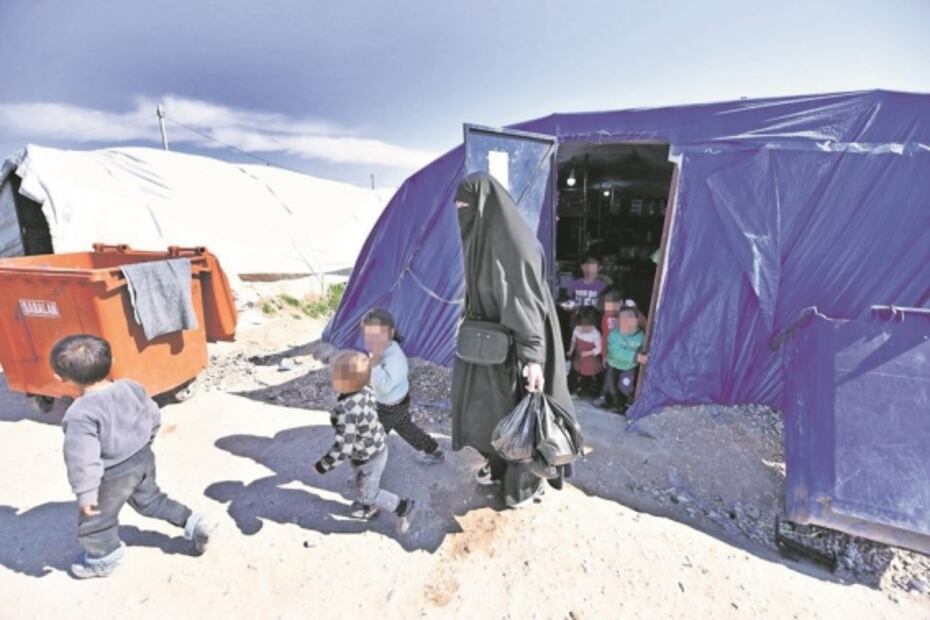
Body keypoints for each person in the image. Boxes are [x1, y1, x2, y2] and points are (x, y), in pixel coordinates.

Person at [452, 171, 580, 509]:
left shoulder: (515, 247)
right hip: (492, 348)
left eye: (466, 206)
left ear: (485, 205)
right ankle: (497, 468)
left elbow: (526, 305)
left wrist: (533, 358)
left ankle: (522, 488)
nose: (462, 212)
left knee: (523, 415)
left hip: (520, 347)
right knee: (494, 412)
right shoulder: (482, 240)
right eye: (458, 207)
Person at [50, 334, 213, 579]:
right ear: (112, 361)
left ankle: (103, 560)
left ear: (61, 378)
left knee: (97, 521)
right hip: (143, 458)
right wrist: (147, 441)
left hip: (113, 473)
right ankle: (192, 521)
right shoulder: (130, 386)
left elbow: (83, 460)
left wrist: (86, 494)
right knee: (152, 500)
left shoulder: (80, 414)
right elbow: (152, 414)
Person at [313, 351, 417, 532]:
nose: (331, 379)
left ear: (346, 384)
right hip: (376, 446)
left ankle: (403, 507)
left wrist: (323, 465)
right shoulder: (366, 389)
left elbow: (344, 447)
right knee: (363, 480)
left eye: (336, 377)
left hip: (368, 458)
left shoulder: (345, 411)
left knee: (369, 493)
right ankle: (368, 508)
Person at [361, 308, 445, 465]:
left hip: (390, 407)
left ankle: (366, 468)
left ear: (391, 332)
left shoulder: (395, 358)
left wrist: (375, 364)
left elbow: (384, 386)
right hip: (392, 402)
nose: (373, 340)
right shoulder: (379, 350)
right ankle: (433, 450)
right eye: (369, 335)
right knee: (406, 428)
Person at [594, 300, 649, 414]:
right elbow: (615, 352)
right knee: (612, 388)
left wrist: (644, 355)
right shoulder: (614, 335)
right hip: (613, 365)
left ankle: (629, 404)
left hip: (629, 367)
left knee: (626, 387)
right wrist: (636, 356)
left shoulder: (641, 336)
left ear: (636, 321)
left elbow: (645, 348)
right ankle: (618, 405)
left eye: (629, 318)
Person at [566, 307, 603, 397]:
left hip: (590, 360)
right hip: (578, 358)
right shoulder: (577, 329)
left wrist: (588, 353)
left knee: (587, 376)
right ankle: (570, 390)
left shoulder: (595, 334)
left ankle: (584, 391)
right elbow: (573, 340)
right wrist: (570, 351)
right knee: (574, 373)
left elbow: (599, 348)